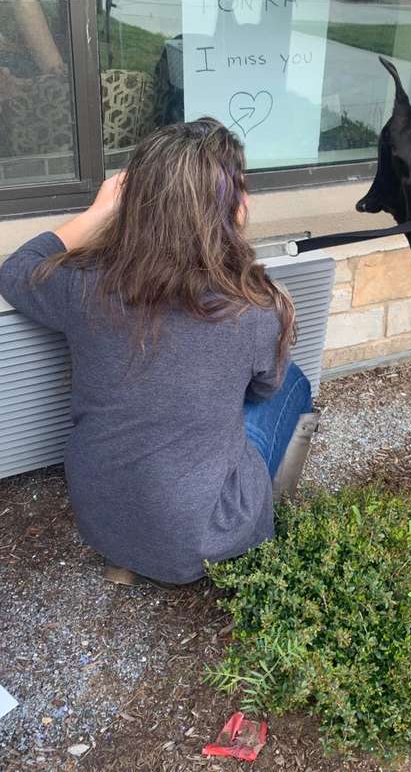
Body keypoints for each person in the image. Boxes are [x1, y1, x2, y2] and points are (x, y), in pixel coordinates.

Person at [0, 118, 316, 586]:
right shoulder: (254, 309)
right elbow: (264, 387)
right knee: (293, 384)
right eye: (240, 189)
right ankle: (254, 531)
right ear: (229, 210)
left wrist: (98, 210)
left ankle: (130, 558)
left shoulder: (84, 286)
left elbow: (15, 269)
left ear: (133, 205)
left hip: (102, 522)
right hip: (199, 540)